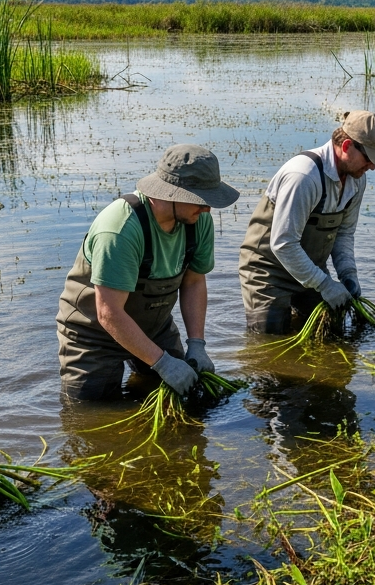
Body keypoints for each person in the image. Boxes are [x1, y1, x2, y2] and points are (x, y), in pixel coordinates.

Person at [56, 144, 240, 402]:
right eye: (202, 200)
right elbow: (108, 312)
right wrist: (162, 363)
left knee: (186, 399)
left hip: (155, 328)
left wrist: (197, 343)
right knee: (92, 418)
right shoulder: (120, 229)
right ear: (175, 194)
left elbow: (194, 281)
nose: (208, 209)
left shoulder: (197, 220)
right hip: (94, 336)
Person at [240, 111, 375, 333]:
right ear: (347, 146)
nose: (372, 166)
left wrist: (347, 274)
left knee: (332, 329)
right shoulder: (303, 176)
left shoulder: (356, 179)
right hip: (269, 271)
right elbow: (284, 243)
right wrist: (324, 284)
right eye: (369, 158)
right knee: (269, 341)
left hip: (310, 267)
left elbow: (344, 233)